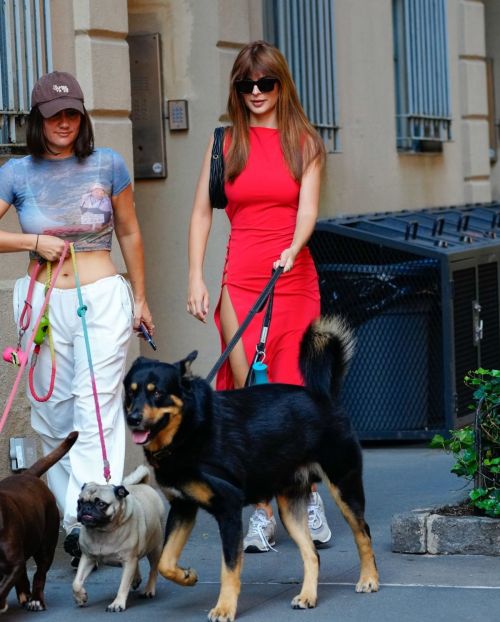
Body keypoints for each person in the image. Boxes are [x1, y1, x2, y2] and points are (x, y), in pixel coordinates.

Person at [0, 71, 154, 565]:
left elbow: (129, 233)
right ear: (37, 121)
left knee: (95, 403)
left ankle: (79, 522)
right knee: (51, 414)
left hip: (103, 296)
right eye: (53, 116)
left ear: (82, 116)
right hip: (43, 302)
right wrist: (32, 242)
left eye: (71, 114)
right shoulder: (16, 172)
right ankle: (75, 512)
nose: (64, 123)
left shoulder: (108, 163)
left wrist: (142, 298)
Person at [187, 41, 331, 552]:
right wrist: (196, 278)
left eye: (264, 83)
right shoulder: (225, 142)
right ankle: (264, 510)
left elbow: (308, 210)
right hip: (240, 277)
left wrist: (293, 248)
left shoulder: (305, 142)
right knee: (251, 394)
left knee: (292, 390)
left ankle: (308, 496)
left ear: (281, 83)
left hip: (291, 277)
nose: (255, 93)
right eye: (246, 85)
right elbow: (203, 212)